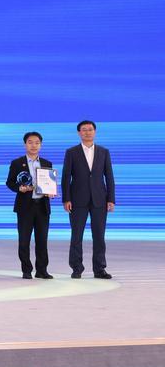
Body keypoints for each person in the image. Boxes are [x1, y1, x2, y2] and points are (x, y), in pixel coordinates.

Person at [62, 120, 116, 279]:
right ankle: (76, 268)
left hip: (100, 199)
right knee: (76, 235)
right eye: (84, 130)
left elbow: (109, 176)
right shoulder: (71, 152)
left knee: (99, 236)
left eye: (90, 129)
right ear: (79, 133)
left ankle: (99, 269)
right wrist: (66, 198)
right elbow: (66, 177)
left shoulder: (104, 152)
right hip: (77, 199)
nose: (87, 132)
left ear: (95, 132)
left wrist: (111, 198)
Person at [5, 131, 54, 279]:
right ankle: (26, 270)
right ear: (25, 144)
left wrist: (50, 192)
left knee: (42, 240)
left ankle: (42, 270)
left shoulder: (47, 163)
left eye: (37, 143)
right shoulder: (17, 163)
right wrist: (19, 188)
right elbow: (10, 182)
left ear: (41, 145)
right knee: (24, 240)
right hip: (25, 206)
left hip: (42, 206)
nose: (34, 145)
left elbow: (50, 183)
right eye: (30, 142)